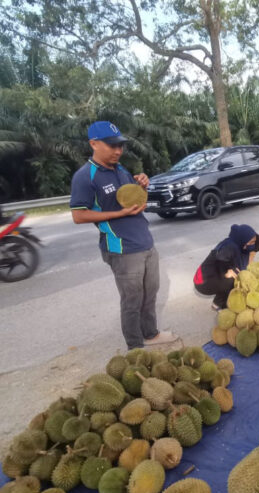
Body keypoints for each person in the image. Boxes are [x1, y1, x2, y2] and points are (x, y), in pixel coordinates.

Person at [70, 121, 178, 350]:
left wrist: (144, 185)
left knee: (150, 293)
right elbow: (78, 216)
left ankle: (150, 333)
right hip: (121, 248)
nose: (118, 151)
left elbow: (137, 202)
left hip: (145, 241)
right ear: (94, 144)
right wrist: (118, 213)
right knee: (132, 300)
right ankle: (135, 348)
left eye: (120, 146)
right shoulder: (85, 176)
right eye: (111, 146)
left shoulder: (121, 170)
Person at [194, 224, 259, 310]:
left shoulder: (242, 243)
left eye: (254, 242)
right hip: (204, 281)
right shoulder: (229, 247)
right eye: (251, 242)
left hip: (214, 274)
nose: (252, 244)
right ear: (242, 239)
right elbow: (220, 260)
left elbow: (257, 242)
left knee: (238, 275)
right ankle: (218, 304)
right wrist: (228, 272)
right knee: (233, 280)